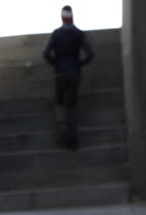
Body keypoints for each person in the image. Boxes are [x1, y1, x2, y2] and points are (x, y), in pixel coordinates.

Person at [42, 4, 95, 149]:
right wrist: (80, 64)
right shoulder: (79, 34)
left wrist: (55, 64)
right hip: (74, 72)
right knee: (71, 106)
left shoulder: (56, 34)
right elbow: (91, 53)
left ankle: (62, 126)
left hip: (60, 72)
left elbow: (45, 53)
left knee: (59, 103)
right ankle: (73, 140)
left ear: (62, 18)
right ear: (72, 17)